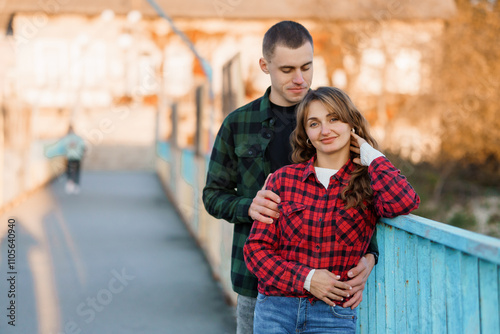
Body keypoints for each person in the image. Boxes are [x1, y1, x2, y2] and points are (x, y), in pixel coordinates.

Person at [202, 21, 379, 333]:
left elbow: (364, 190)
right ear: (264, 65)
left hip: (330, 287)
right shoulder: (237, 123)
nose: (300, 79)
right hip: (258, 281)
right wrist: (248, 206)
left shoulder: (334, 122)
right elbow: (213, 195)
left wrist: (370, 255)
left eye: (306, 67)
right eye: (287, 70)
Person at [243, 87, 420, 333]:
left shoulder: (368, 184)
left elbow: (404, 202)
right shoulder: (283, 180)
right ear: (306, 134)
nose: (325, 130)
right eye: (314, 124)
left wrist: (371, 155)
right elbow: (256, 251)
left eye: (334, 119)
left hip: (333, 316)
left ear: (352, 124)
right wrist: (307, 279)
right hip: (275, 310)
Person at [61, 125, 86, 194]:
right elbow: (83, 147)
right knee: (77, 171)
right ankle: (76, 185)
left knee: (69, 171)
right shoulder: (78, 138)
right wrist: (82, 155)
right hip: (77, 157)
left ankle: (70, 184)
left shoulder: (67, 138)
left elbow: (63, 147)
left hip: (70, 157)